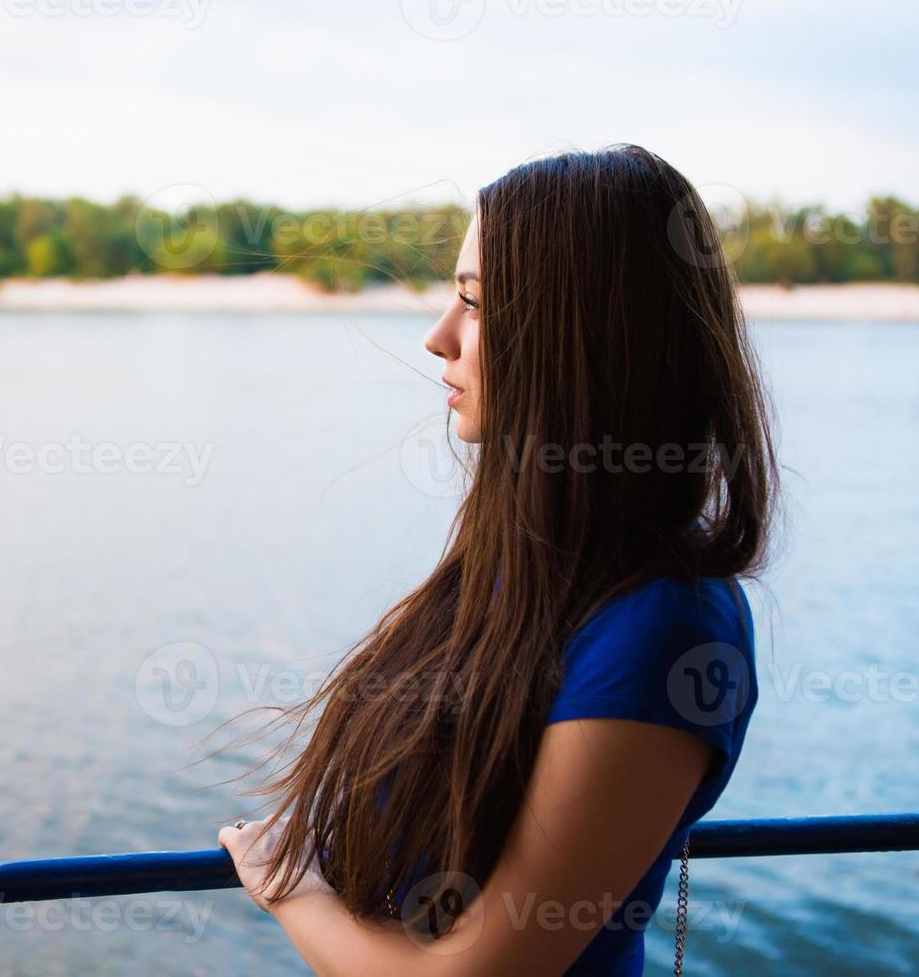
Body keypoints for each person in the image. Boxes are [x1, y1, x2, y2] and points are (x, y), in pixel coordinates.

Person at [218, 144, 774, 975]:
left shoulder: (663, 628)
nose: (438, 338)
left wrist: (290, 885)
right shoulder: (521, 576)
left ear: (583, 333)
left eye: (475, 305)